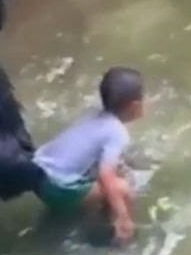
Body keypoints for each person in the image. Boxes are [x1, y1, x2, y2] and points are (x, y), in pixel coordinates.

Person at [34, 66, 144, 245]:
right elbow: (106, 176)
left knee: (113, 173)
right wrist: (123, 215)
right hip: (57, 187)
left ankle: (61, 212)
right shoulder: (117, 132)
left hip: (38, 175)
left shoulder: (93, 115)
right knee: (123, 190)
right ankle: (121, 238)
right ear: (136, 106)